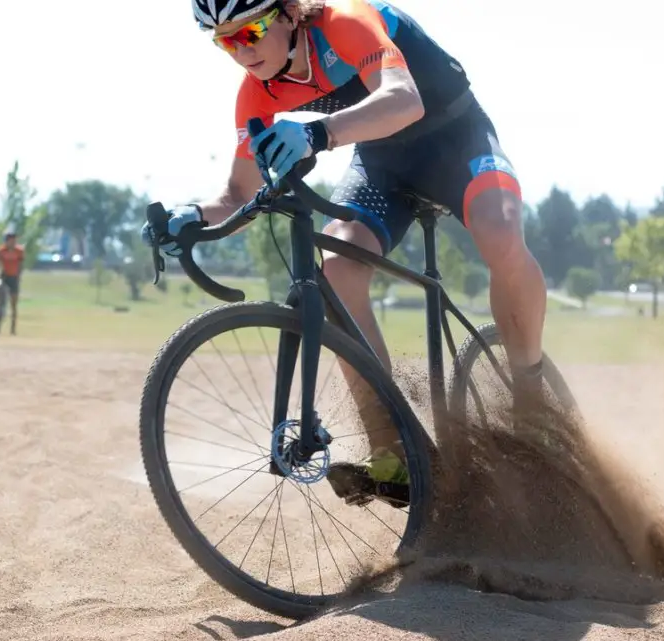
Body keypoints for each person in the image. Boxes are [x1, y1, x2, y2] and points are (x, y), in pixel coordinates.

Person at [141, 0, 550, 502]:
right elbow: (237, 194)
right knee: (336, 272)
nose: (239, 53)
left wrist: (318, 133)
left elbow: (405, 100)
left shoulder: (347, 22)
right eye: (224, 41)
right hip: (382, 165)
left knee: (500, 232)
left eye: (249, 34)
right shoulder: (256, 93)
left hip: (455, 139)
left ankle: (530, 381)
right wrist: (191, 217)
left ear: (289, 13)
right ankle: (395, 451)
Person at [0, 227, 25, 335]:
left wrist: (19, 277)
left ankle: (13, 329)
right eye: (10, 238)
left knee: (13, 304)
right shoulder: (1, 250)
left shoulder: (19, 251)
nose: (12, 241)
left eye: (13, 238)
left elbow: (20, 265)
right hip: (2, 276)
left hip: (13, 277)